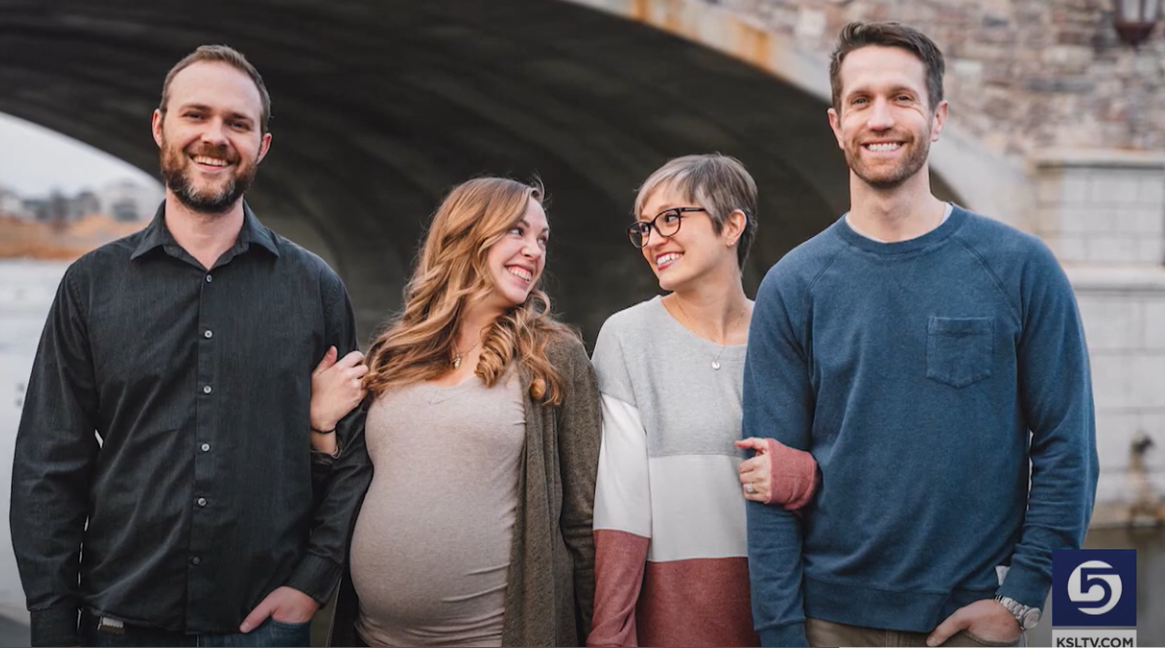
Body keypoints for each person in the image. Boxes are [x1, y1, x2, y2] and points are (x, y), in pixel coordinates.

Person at [742, 21, 1098, 648]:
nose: (880, 118)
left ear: (937, 119)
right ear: (837, 125)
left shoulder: (1021, 267)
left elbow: (1069, 448)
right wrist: (781, 633)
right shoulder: (792, 285)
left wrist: (1022, 600)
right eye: (861, 100)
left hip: (972, 620)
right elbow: (768, 476)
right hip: (828, 623)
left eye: (901, 97)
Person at [10, 45, 372, 647]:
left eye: (237, 123)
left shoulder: (315, 289)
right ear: (160, 127)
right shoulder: (91, 286)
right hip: (118, 623)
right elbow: (48, 467)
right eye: (196, 115)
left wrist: (313, 581)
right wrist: (52, 623)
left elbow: (355, 455)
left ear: (262, 145)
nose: (215, 137)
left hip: (263, 629)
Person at [313, 177, 601, 647]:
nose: (534, 250)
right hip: (371, 637)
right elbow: (343, 488)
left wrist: (601, 632)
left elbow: (584, 520)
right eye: (517, 231)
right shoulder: (394, 353)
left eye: (542, 239)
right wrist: (321, 425)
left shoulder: (552, 356)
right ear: (465, 233)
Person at [586, 154, 819, 647]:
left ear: (731, 225)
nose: (653, 239)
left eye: (670, 218)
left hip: (789, 618)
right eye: (645, 227)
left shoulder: (789, 337)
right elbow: (619, 511)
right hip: (673, 625)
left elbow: (851, 468)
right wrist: (609, 636)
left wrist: (798, 477)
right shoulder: (627, 337)